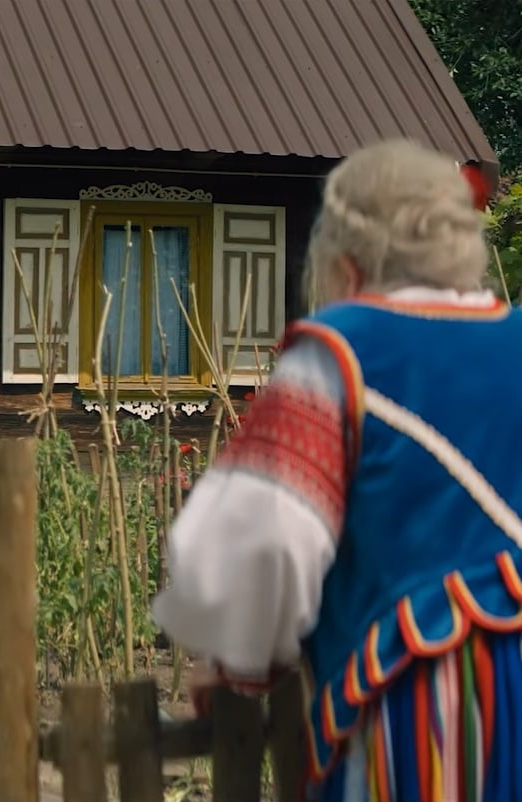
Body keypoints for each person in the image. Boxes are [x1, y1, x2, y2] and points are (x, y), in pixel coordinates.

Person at [151, 139, 518, 801]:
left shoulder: (339, 353)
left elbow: (266, 540)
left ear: (346, 266)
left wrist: (236, 660)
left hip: (424, 710)